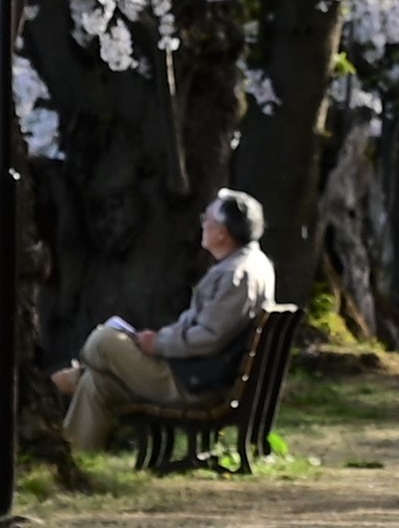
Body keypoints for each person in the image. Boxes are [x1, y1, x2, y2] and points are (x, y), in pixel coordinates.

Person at [51, 190, 278, 459]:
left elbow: (209, 337)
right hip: (196, 373)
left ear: (222, 233)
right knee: (96, 384)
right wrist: (156, 337)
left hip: (193, 383)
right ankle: (76, 459)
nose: (202, 223)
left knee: (105, 339)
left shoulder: (235, 275)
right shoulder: (248, 264)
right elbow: (203, 328)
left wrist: (158, 344)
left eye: (208, 219)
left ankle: (72, 376)